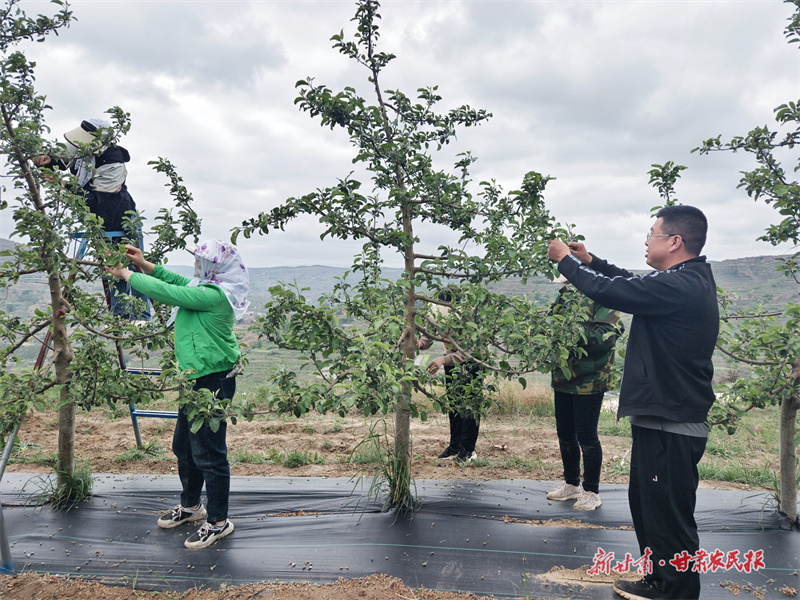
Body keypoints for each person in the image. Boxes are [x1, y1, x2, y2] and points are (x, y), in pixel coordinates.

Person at [547, 205, 718, 600]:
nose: (645, 241)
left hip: (671, 422)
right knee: (649, 508)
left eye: (651, 233)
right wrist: (593, 261)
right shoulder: (679, 280)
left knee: (669, 517)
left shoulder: (684, 284)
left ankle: (675, 590)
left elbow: (615, 292)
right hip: (659, 418)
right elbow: (628, 282)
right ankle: (658, 581)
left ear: (674, 241)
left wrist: (568, 263)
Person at [106, 238, 250, 549]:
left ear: (215, 266)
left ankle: (218, 522)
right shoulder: (206, 286)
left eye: (202, 260)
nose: (197, 265)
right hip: (194, 379)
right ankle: (191, 506)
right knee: (184, 445)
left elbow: (169, 292)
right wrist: (143, 264)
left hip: (213, 380)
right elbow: (175, 280)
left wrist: (127, 275)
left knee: (210, 454)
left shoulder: (214, 295)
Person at [36, 118, 151, 321]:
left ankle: (140, 316)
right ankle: (120, 317)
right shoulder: (86, 150)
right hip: (99, 220)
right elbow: (64, 160)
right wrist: (48, 161)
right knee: (113, 268)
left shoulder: (113, 163)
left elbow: (96, 200)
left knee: (133, 264)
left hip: (122, 217)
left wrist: (61, 184)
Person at [547, 286, 623, 511]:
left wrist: (569, 332)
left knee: (587, 437)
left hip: (590, 379)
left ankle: (591, 491)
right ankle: (572, 484)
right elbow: (552, 322)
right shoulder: (566, 295)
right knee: (565, 434)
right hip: (563, 375)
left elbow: (605, 337)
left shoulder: (603, 296)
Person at [417, 290, 484, 466]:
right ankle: (455, 446)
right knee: (454, 404)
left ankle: (468, 449)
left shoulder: (467, 319)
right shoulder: (436, 314)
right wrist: (421, 343)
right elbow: (428, 334)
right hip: (451, 362)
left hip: (472, 364)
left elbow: (469, 353)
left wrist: (444, 359)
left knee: (469, 406)